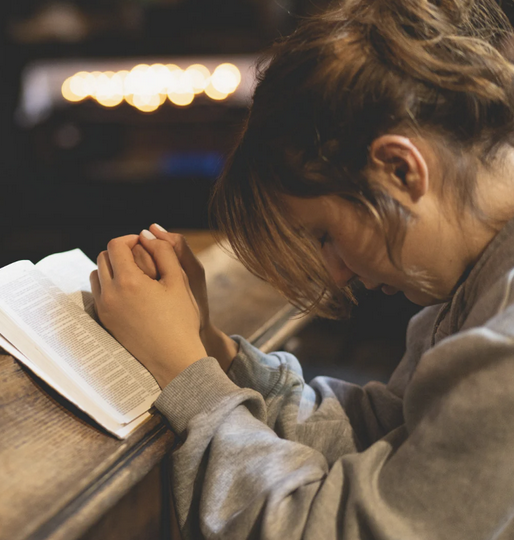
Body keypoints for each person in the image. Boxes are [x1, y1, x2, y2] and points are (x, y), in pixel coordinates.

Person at [88, 0, 514, 538]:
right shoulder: (476, 285)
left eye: (326, 235)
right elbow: (382, 436)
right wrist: (208, 345)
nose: (336, 273)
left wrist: (186, 378)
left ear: (401, 169)